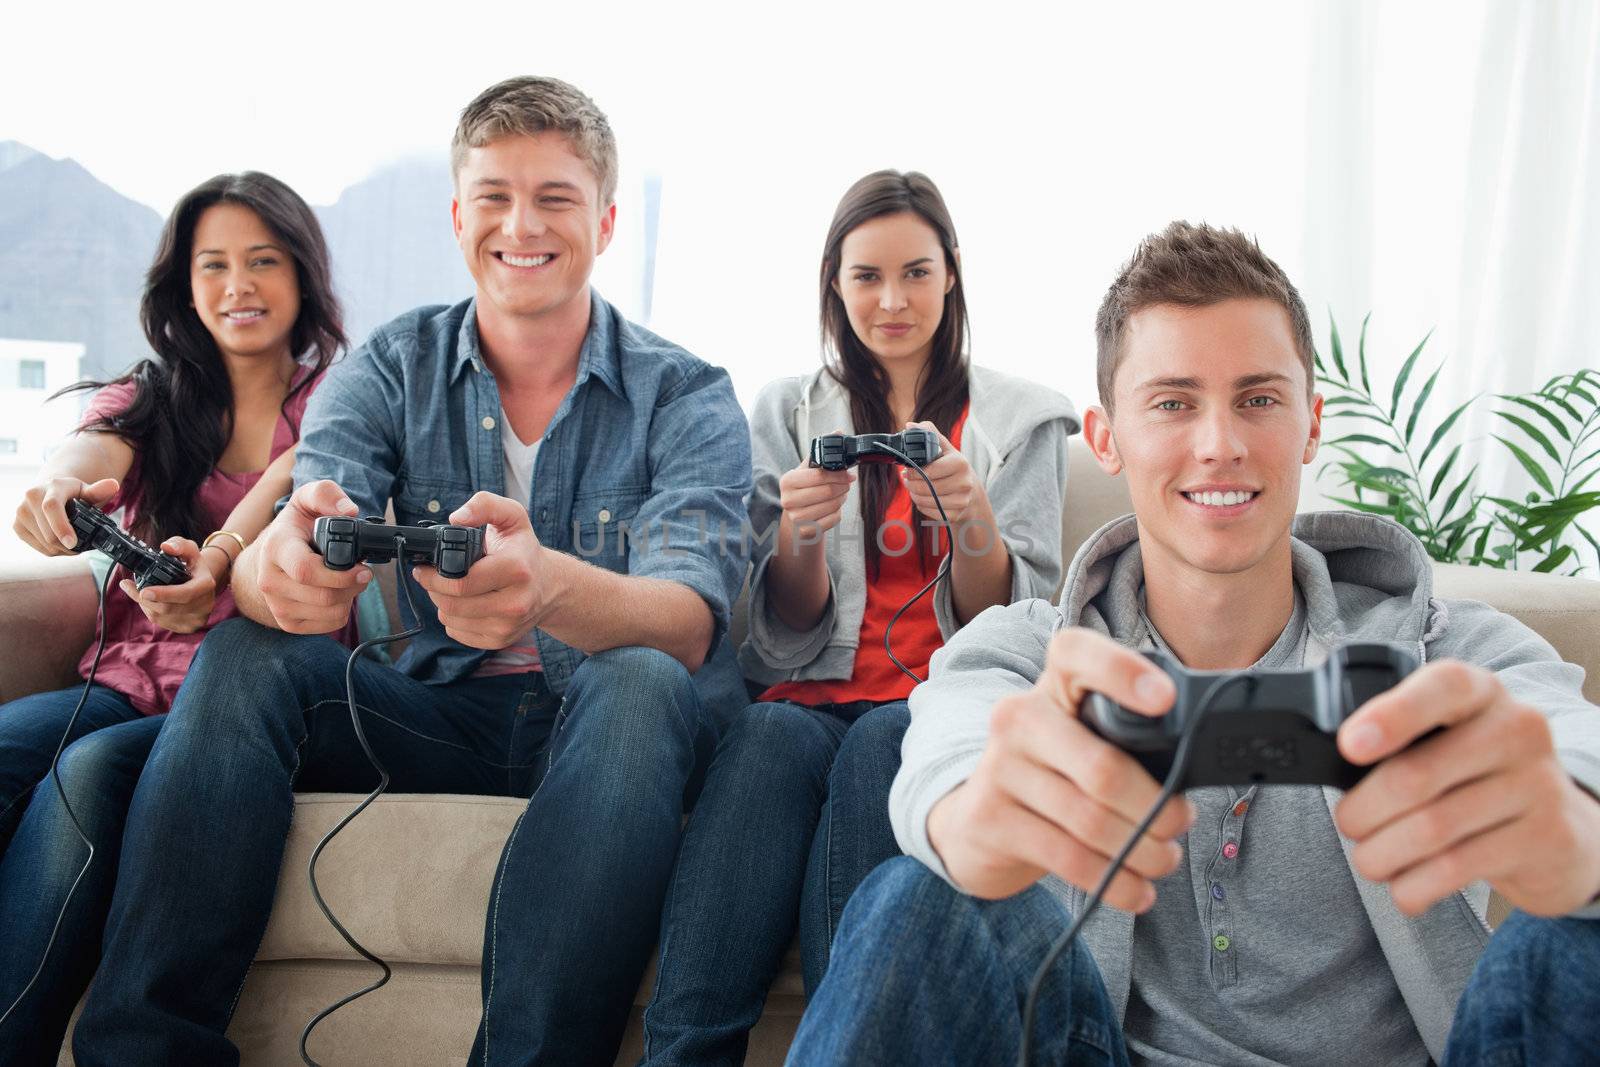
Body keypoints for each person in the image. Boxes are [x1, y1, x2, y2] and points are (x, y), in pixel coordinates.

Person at [787, 221, 1600, 1066]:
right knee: (921, 895)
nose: (1221, 443)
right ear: (1106, 438)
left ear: (1311, 424)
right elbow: (943, 773)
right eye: (1174, 402)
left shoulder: (1448, 653)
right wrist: (973, 823)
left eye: (1258, 398)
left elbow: (1582, 753)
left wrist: (1574, 833)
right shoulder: (1027, 656)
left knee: (1581, 929)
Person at [68, 76, 752, 1066]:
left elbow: (688, 620)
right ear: (457, 216)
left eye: (555, 197)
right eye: (495, 196)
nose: (522, 223)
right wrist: (278, 575)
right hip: (443, 709)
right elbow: (293, 535)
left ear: (604, 220)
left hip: (618, 731)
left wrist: (549, 586)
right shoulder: (392, 364)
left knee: (643, 673)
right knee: (249, 650)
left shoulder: (686, 392)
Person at [640, 170, 1078, 1065]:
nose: (892, 300)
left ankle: (857, 1045)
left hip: (932, 706)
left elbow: (1020, 621)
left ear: (952, 273)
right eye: (866, 276)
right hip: (804, 698)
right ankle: (682, 1052)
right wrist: (801, 535)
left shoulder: (1024, 420)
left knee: (885, 737)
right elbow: (775, 632)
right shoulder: (785, 411)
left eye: (916, 272)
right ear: (834, 284)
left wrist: (972, 519)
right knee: (763, 735)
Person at [0, 171, 347, 1061]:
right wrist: (60, 489)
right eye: (215, 264)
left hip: (239, 709)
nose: (238, 285)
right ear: (184, 286)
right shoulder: (150, 400)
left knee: (86, 774)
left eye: (263, 261)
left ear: (303, 276)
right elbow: (85, 452)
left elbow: (288, 495)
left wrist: (219, 562)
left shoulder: (340, 404)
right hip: (122, 681)